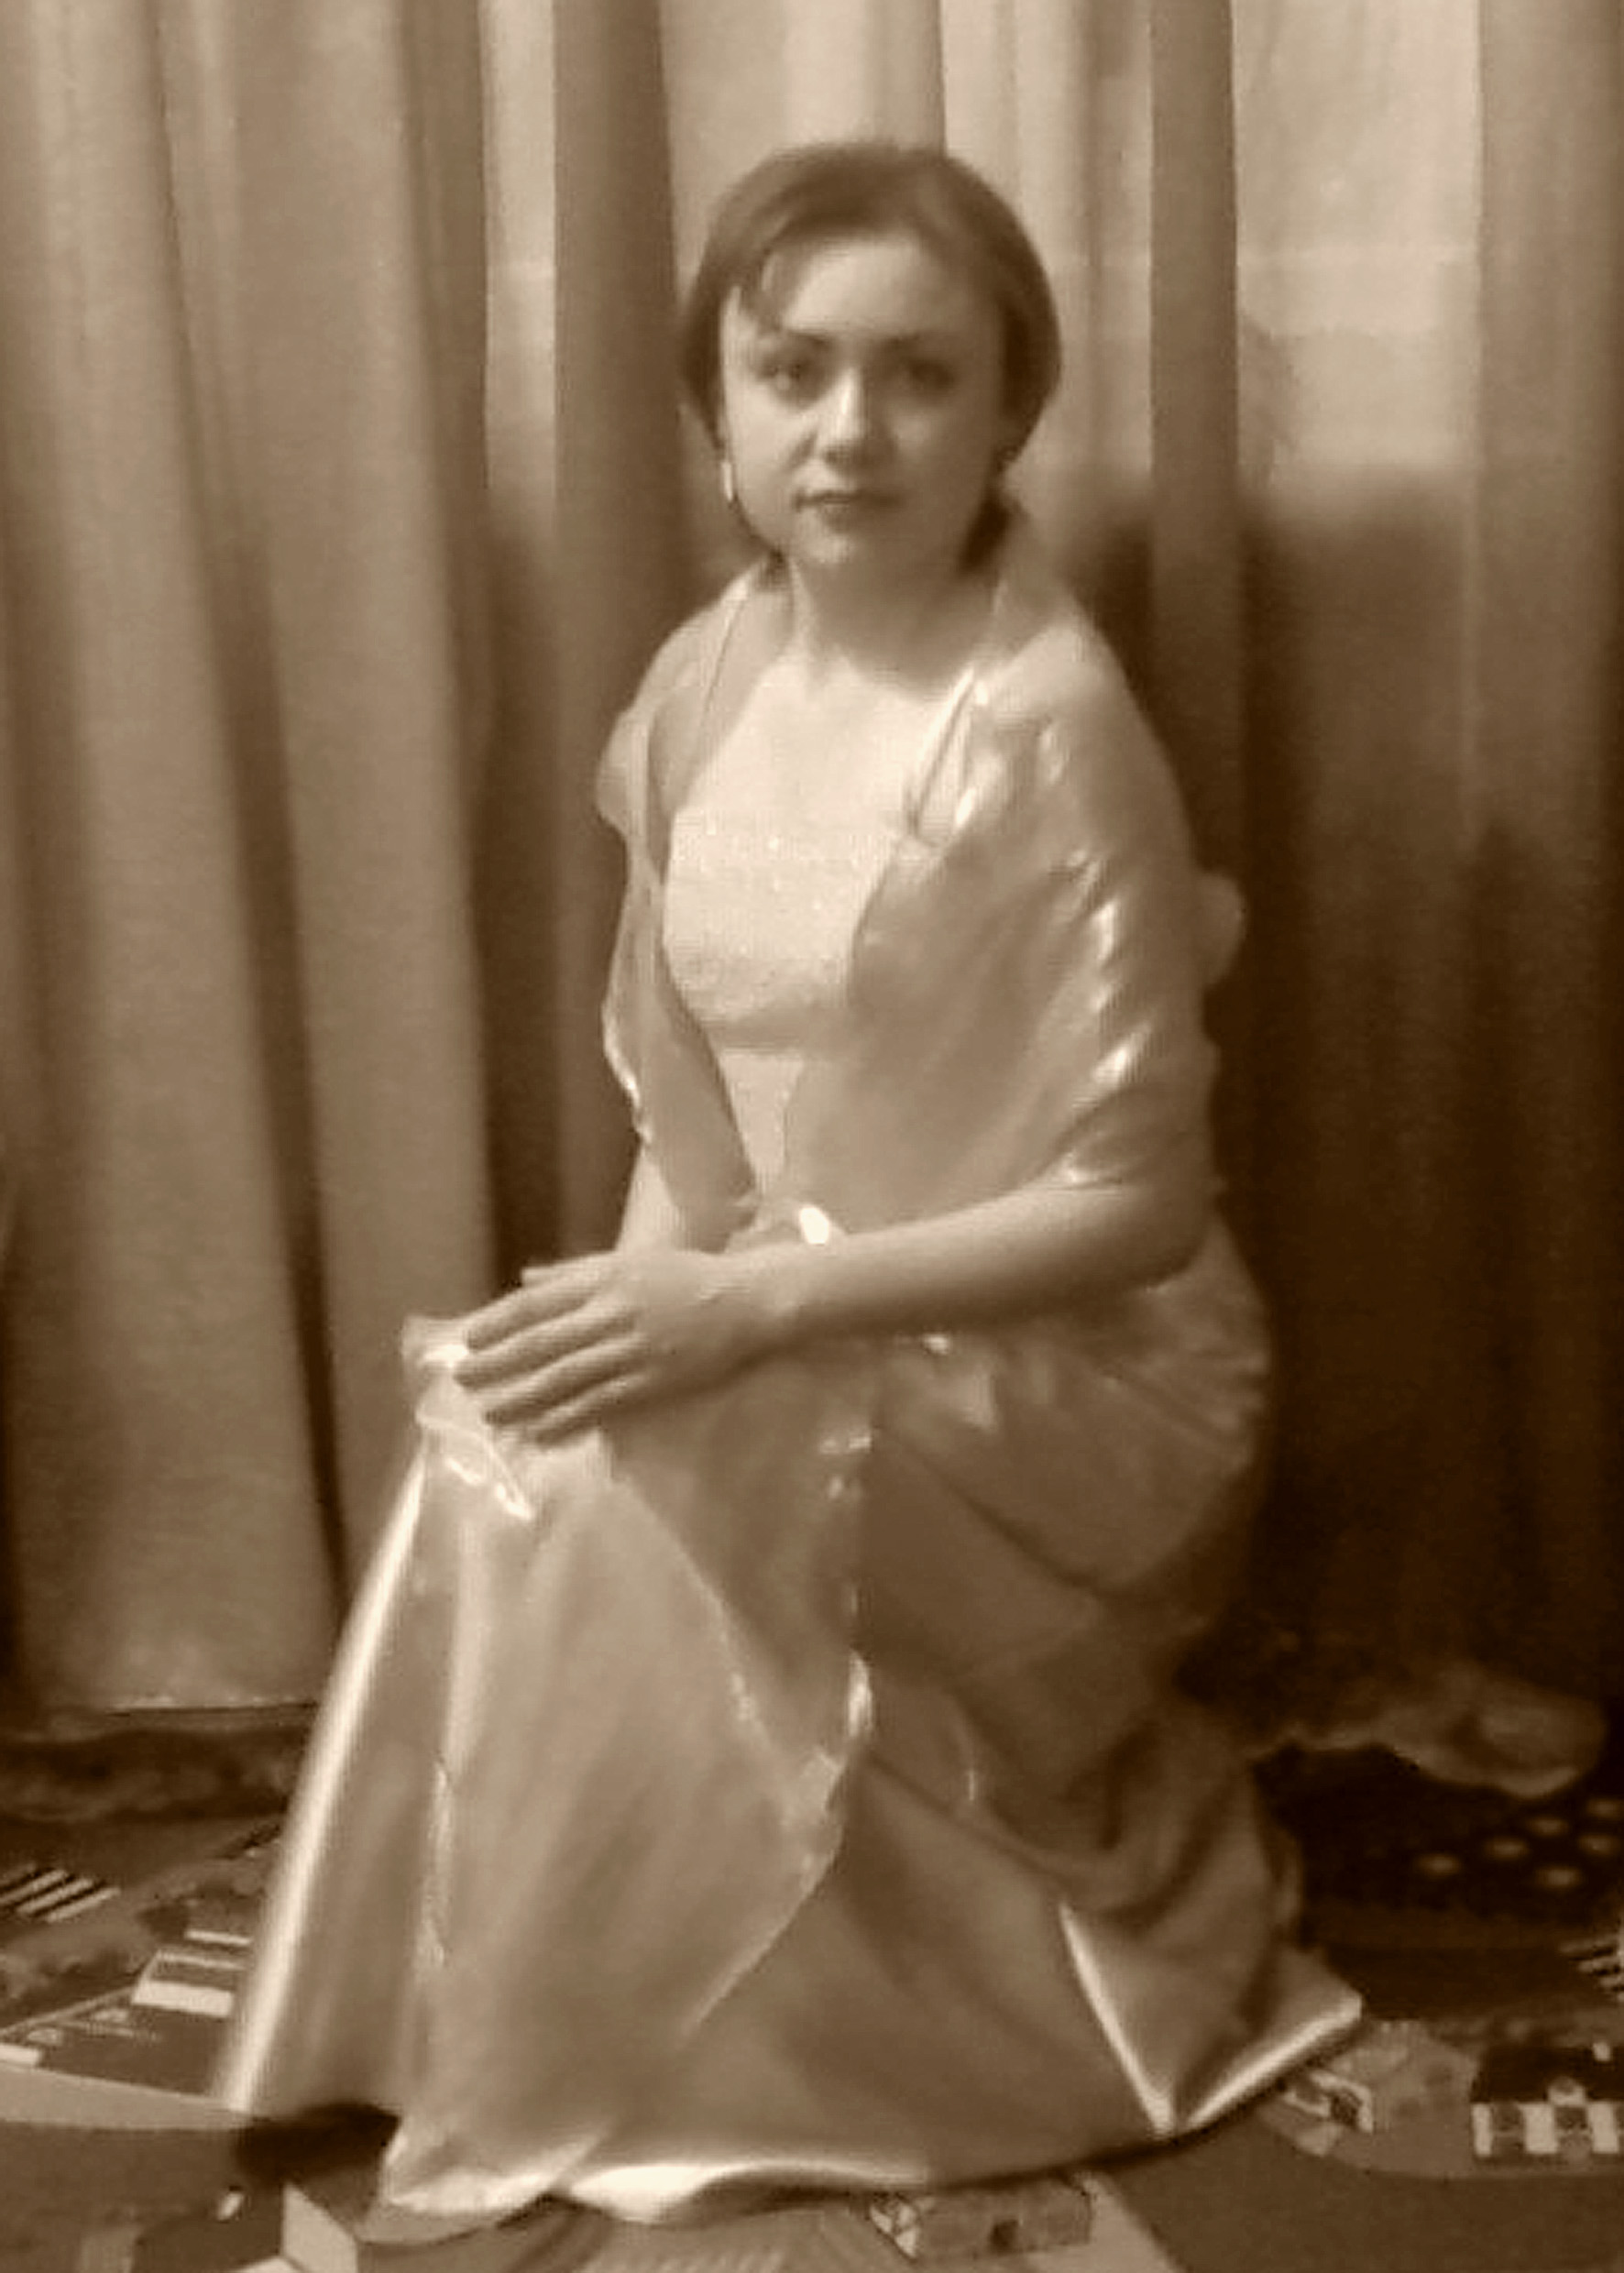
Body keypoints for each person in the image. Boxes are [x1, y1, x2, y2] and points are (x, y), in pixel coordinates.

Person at [215, 139, 1359, 2234]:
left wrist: (729, 1319)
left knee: (647, 1452)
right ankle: (492, 2013)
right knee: (514, 1431)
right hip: (809, 1300)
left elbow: (1136, 1208)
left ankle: (760, 2038)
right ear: (718, 411)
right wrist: (620, 1330)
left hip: (1082, 1367)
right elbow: (695, 1115)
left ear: (1008, 412)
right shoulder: (703, 678)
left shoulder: (1045, 727)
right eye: (793, 370)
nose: (849, 430)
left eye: (921, 375)